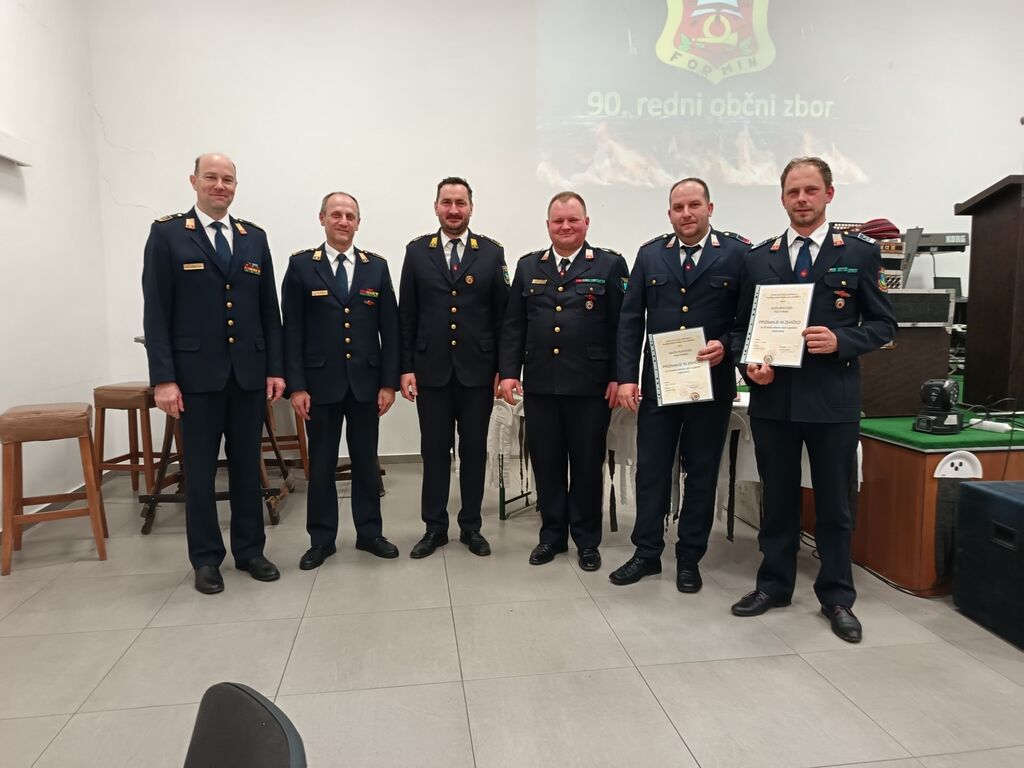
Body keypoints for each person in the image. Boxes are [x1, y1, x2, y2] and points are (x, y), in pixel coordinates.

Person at [730, 156, 896, 643]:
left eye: (810, 190)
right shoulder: (757, 258)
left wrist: (843, 340)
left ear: (829, 194)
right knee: (778, 500)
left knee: (835, 506)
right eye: (793, 192)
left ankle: (838, 597)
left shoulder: (860, 253)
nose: (801, 199)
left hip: (832, 401)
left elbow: (884, 325)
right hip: (773, 400)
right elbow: (740, 327)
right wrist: (748, 364)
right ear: (782, 198)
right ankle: (774, 585)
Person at [142, 153, 285, 595]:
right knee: (200, 473)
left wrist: (275, 368)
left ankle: (250, 551)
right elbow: (157, 311)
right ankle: (205, 559)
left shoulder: (253, 238)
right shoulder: (168, 234)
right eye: (211, 177)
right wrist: (164, 379)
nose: (220, 186)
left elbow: (268, 311)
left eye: (228, 179)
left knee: (246, 467)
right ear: (194, 181)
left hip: (247, 376)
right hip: (195, 379)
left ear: (236, 186)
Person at [610, 178, 749, 591]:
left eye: (693, 205)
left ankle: (690, 557)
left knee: (701, 472)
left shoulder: (737, 254)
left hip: (711, 384)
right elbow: (630, 320)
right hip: (660, 385)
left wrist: (727, 346)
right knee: (651, 469)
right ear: (669, 213)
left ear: (710, 208)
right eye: (678, 207)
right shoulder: (651, 255)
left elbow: (747, 318)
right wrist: (626, 377)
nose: (686, 214)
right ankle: (646, 553)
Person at [499, 192, 628, 571]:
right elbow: (514, 325)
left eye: (573, 220)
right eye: (558, 221)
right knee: (547, 464)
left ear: (586, 223)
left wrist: (619, 377)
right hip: (541, 384)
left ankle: (587, 541)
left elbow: (622, 327)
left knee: (587, 466)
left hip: (590, 386)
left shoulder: (609, 264)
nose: (566, 226)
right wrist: (509, 372)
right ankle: (552, 536)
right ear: (548, 225)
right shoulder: (528, 266)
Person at [281, 192, 400, 570]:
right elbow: (291, 332)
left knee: (366, 462)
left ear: (358, 223)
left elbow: (390, 330)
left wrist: (388, 384)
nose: (343, 221)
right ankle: (321, 539)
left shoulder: (376, 267)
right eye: (336, 214)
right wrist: (297, 386)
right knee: (321, 465)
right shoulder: (302, 266)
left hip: (366, 384)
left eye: (350, 215)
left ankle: (370, 533)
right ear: (322, 219)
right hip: (319, 386)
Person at [398, 177, 509, 558]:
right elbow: (407, 314)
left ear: (471, 208)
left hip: (478, 372)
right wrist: (405, 367)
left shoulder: (491, 253)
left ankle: (471, 526)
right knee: (434, 452)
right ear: (436, 207)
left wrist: (504, 368)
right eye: (447, 202)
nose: (454, 210)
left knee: (474, 451)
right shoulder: (417, 252)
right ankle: (435, 528)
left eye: (460, 203)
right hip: (431, 371)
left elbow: (504, 317)